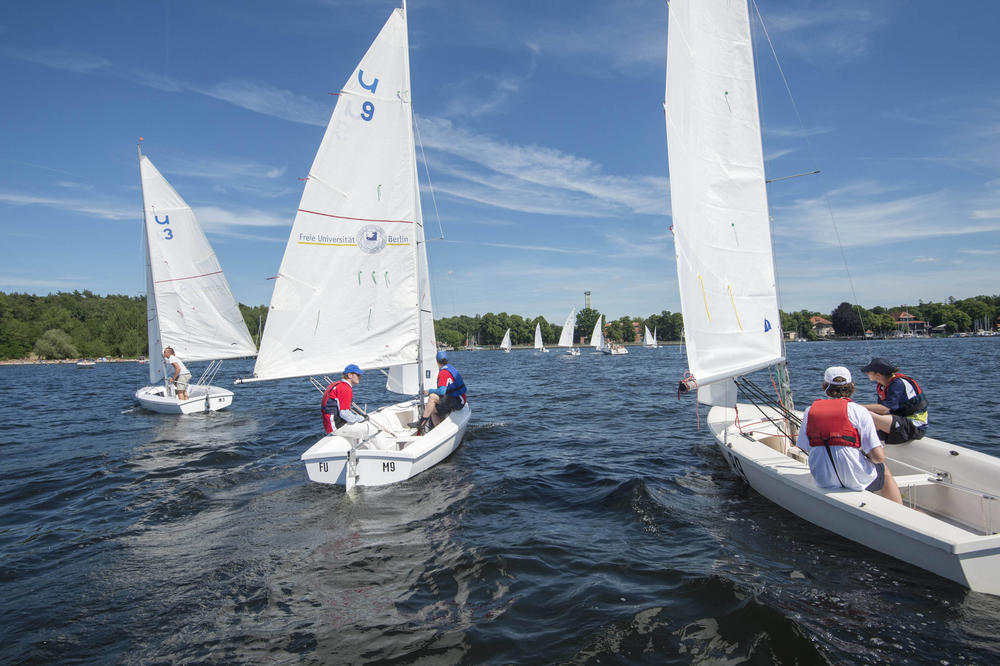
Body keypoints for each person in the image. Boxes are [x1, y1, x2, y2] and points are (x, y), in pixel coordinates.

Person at [796, 366, 902, 504]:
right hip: (855, 481)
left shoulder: (809, 411)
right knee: (884, 470)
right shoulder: (859, 411)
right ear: (851, 386)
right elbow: (878, 457)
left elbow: (804, 447)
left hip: (823, 480)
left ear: (824, 386)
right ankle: (898, 508)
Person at [859, 357, 928, 444]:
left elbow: (885, 409)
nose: (867, 373)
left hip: (915, 426)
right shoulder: (883, 385)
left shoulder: (898, 384)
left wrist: (855, 407)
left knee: (862, 413)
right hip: (900, 421)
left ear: (878, 375)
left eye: (869, 371)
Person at [321, 364, 379, 445]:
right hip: (338, 426)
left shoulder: (336, 384)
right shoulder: (345, 388)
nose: (360, 377)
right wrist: (360, 418)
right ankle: (382, 454)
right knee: (372, 430)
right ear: (350, 375)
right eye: (358, 375)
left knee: (360, 428)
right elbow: (344, 414)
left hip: (330, 426)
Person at [411, 351, 468, 431]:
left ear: (436, 361)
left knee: (432, 397)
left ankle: (421, 423)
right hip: (460, 399)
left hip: (458, 401)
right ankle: (438, 430)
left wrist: (429, 391)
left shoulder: (443, 373)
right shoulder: (450, 367)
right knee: (432, 410)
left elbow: (442, 391)